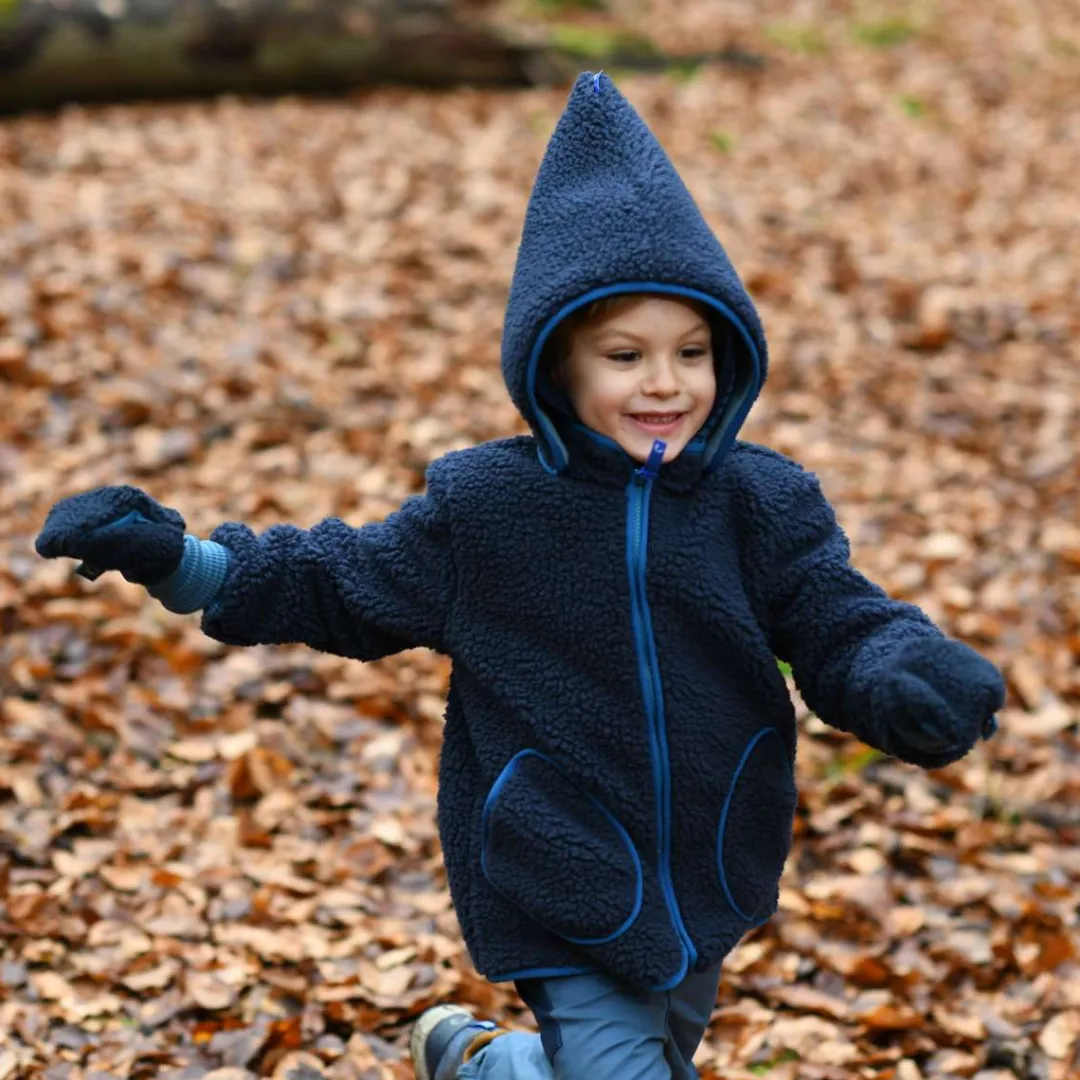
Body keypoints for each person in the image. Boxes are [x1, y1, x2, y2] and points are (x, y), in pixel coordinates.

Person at [35, 72, 1004, 1080]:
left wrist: (902, 671)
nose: (665, 382)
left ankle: (486, 1065)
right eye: (625, 356)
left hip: (710, 857)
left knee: (647, 1053)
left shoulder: (760, 503)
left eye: (692, 352)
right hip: (560, 861)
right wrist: (183, 561)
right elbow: (340, 578)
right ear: (557, 365)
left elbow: (835, 618)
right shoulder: (488, 510)